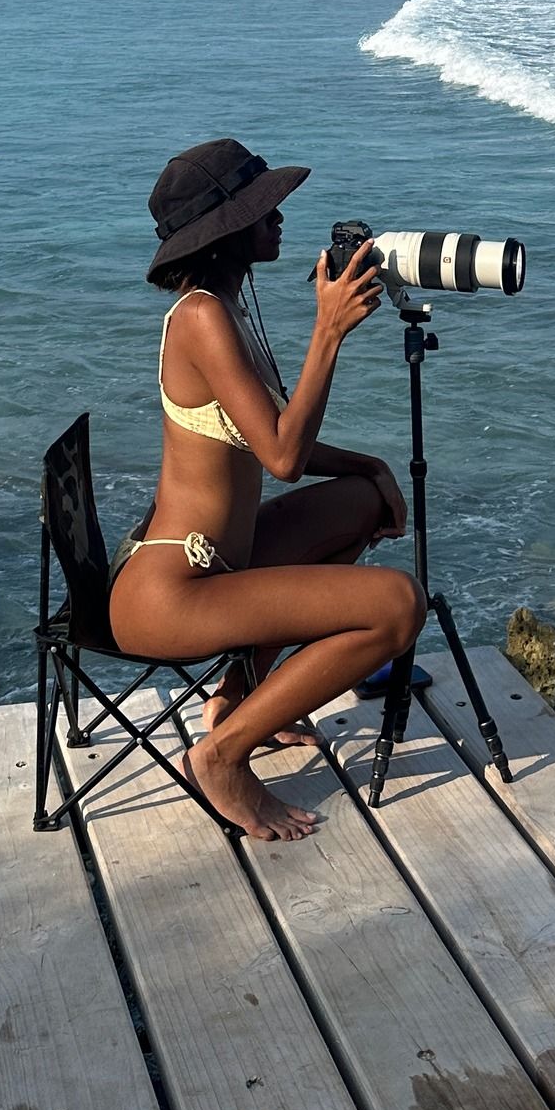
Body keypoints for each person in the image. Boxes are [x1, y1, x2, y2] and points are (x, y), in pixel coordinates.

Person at [108, 137, 426, 841]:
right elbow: (282, 456)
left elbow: (269, 436)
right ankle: (221, 756)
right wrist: (328, 330)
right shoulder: (201, 316)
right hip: (173, 593)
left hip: (226, 561)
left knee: (363, 499)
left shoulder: (228, 306)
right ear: (224, 231)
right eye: (262, 209)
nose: (279, 216)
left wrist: (368, 467)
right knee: (399, 605)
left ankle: (240, 697)